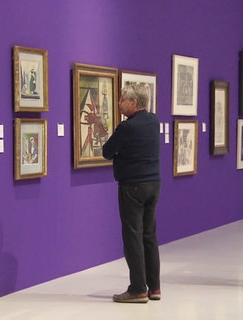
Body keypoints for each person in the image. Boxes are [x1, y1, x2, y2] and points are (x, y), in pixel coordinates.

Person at [103, 84, 161, 303]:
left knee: (132, 236)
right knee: (149, 235)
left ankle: (138, 289)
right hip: (154, 183)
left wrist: (121, 155)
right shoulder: (154, 121)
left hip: (132, 186)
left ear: (134, 103)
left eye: (122, 100)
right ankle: (154, 287)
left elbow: (107, 151)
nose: (119, 104)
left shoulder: (127, 128)